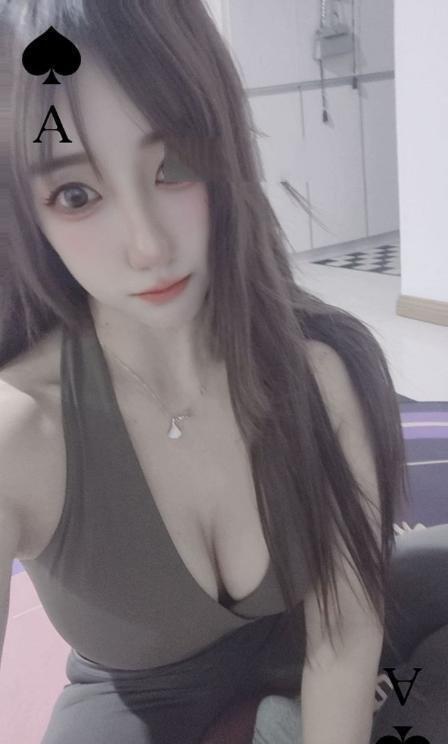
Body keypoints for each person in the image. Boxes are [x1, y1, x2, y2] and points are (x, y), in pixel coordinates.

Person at [3, 1, 440, 742]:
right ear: (27, 210)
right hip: (140, 708)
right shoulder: (20, 434)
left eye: (172, 164)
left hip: (321, 654)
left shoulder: (321, 373)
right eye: (77, 194)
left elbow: (341, 641)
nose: (147, 245)